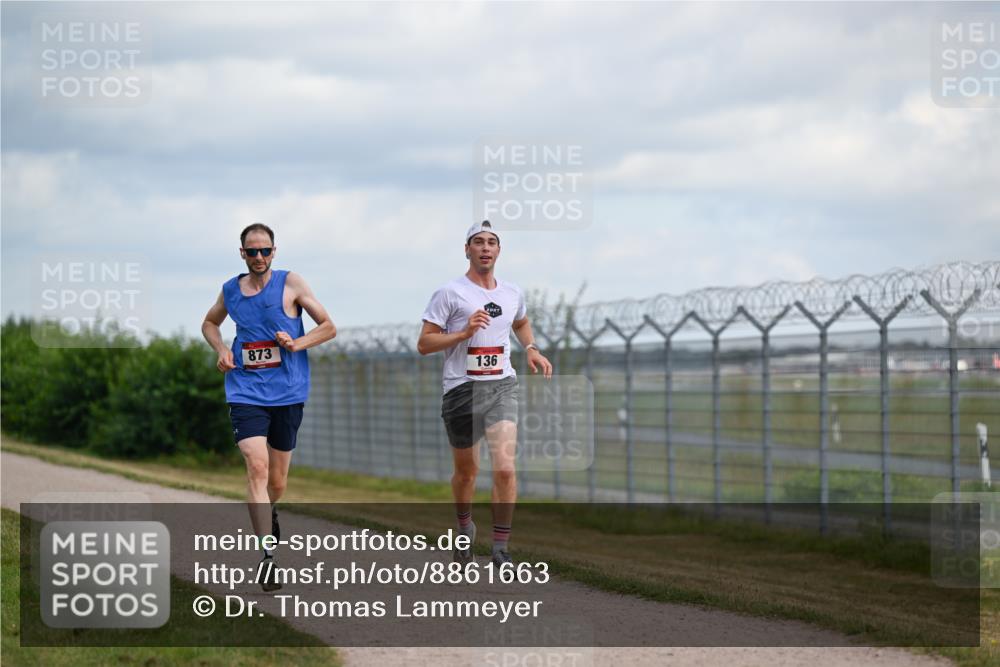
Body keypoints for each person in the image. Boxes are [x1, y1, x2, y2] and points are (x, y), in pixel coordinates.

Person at [201, 222, 336, 591]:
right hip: (245, 390)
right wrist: (223, 350)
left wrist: (296, 342)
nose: (258, 257)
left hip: (288, 392)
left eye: (265, 251)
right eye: (251, 251)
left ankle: (268, 511)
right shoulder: (231, 290)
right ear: (242, 254)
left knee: (276, 481)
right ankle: (267, 559)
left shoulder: (291, 284)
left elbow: (328, 327)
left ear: (274, 252)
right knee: (256, 467)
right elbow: (210, 323)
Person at [417, 220, 552, 567]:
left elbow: (520, 322)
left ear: (499, 251)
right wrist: (462, 334)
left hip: (502, 385)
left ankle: (501, 549)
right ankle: (464, 526)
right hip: (461, 389)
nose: (486, 248)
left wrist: (532, 348)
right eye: (478, 242)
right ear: (467, 250)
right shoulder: (450, 293)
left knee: (505, 468)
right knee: (467, 473)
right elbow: (424, 343)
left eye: (492, 242)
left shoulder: (511, 292)